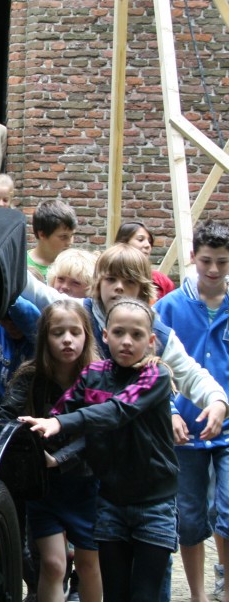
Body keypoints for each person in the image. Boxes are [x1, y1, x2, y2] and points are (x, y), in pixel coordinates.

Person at [20, 297, 178, 601]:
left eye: (137, 335)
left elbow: (116, 412)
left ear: (152, 340)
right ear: (105, 335)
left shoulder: (155, 376)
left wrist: (61, 424)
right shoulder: (93, 375)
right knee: (115, 592)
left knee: (145, 593)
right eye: (118, 333)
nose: (127, 342)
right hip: (110, 502)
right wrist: (36, 439)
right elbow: (61, 413)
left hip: (154, 503)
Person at [21, 243, 229, 441]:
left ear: (142, 288)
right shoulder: (77, 313)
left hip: (134, 446)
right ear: (98, 283)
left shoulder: (156, 333)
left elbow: (191, 375)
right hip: (80, 441)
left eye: (129, 281)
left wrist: (217, 400)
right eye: (111, 279)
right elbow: (34, 290)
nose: (118, 288)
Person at [0, 299, 102, 602]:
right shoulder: (30, 377)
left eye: (75, 332)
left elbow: (98, 434)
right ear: (45, 338)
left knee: (89, 564)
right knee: (54, 564)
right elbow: (5, 417)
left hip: (86, 486)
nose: (67, 340)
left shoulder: (98, 377)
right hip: (43, 487)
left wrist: (59, 459)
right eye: (58, 333)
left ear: (87, 335)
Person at [154, 219, 229, 602]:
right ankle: (198, 594)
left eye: (221, 261)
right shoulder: (168, 308)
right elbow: (153, 368)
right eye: (206, 261)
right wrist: (169, 410)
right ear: (193, 259)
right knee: (189, 517)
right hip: (185, 429)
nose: (214, 270)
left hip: (228, 427)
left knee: (228, 509)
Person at [116, 220, 176, 302]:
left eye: (150, 242)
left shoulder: (163, 281)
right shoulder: (108, 275)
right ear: (124, 243)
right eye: (140, 240)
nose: (148, 245)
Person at [27, 200, 77, 282]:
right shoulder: (21, 266)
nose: (70, 242)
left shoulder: (76, 266)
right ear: (42, 235)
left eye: (71, 235)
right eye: (63, 237)